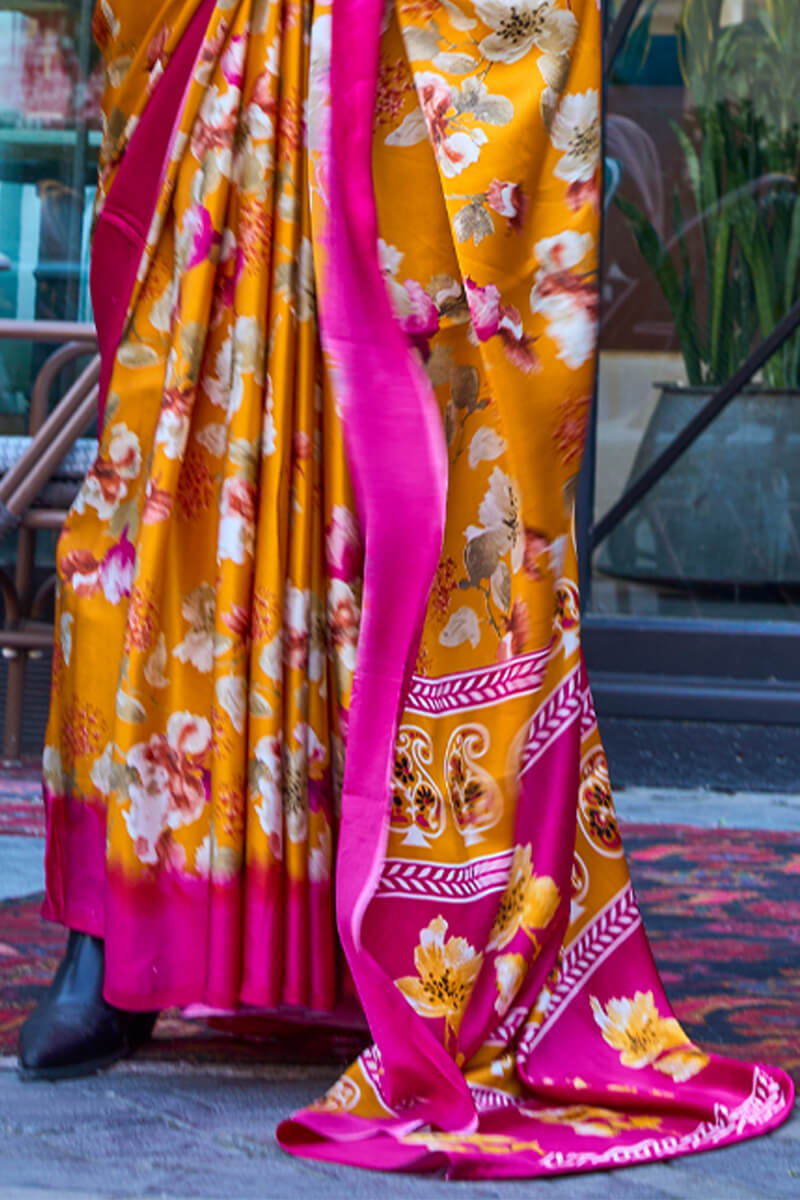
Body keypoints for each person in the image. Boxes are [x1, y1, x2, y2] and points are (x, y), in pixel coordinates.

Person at [18, 0, 794, 1180]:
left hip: (404, 96)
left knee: (402, 523)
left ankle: (387, 944)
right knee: (160, 495)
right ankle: (121, 933)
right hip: (230, 76)